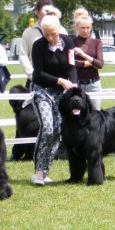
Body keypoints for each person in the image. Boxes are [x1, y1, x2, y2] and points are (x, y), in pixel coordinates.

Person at [30, 14, 78, 186]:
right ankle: (38, 172)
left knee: (58, 131)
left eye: (53, 33)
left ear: (59, 29)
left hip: (61, 92)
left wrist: (74, 86)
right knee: (47, 127)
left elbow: (71, 67)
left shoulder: (68, 42)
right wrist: (58, 80)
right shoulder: (38, 46)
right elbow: (38, 73)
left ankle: (46, 169)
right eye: (46, 34)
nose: (50, 37)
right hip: (42, 90)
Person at [71, 12, 104, 110]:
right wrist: (90, 63)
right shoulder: (71, 42)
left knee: (95, 114)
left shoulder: (97, 42)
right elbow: (71, 63)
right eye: (82, 28)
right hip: (77, 84)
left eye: (88, 27)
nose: (86, 31)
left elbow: (100, 64)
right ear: (77, 28)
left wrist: (82, 55)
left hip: (94, 85)